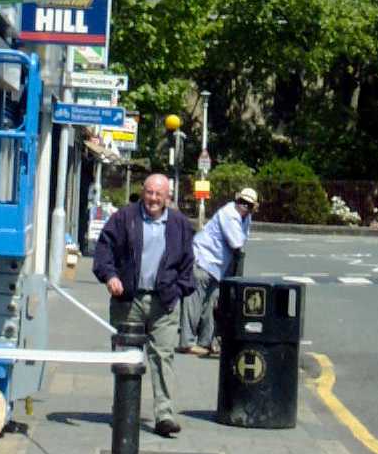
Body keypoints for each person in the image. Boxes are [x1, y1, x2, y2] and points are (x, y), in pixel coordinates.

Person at [92, 172, 195, 437]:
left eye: (158, 194)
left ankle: (165, 415)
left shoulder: (180, 225)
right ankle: (124, 409)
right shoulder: (125, 218)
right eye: (149, 192)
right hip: (129, 300)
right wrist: (110, 276)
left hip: (164, 303)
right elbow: (104, 249)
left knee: (163, 357)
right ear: (143, 192)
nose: (153, 199)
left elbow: (187, 264)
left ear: (167, 197)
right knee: (126, 357)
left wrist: (178, 290)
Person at [179, 187, 257, 356]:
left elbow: (243, 240)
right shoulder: (229, 214)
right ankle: (187, 342)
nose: (244, 206)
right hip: (203, 259)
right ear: (236, 200)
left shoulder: (246, 218)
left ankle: (205, 342)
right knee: (194, 302)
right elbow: (237, 242)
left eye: (249, 204)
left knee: (211, 305)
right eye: (241, 201)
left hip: (218, 267)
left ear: (253, 207)